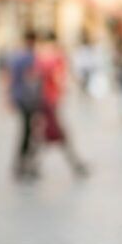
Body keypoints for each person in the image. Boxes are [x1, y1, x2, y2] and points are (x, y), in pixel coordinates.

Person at [34, 33, 89, 176]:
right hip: (51, 101)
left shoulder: (41, 58)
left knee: (47, 135)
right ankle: (76, 164)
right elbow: (58, 77)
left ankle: (33, 165)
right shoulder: (55, 59)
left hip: (44, 100)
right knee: (57, 134)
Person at [6, 31, 41, 180]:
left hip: (21, 98)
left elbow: (11, 78)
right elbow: (32, 78)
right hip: (29, 99)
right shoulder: (29, 57)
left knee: (26, 131)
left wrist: (10, 97)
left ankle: (22, 163)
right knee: (29, 132)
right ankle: (25, 163)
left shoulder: (17, 57)